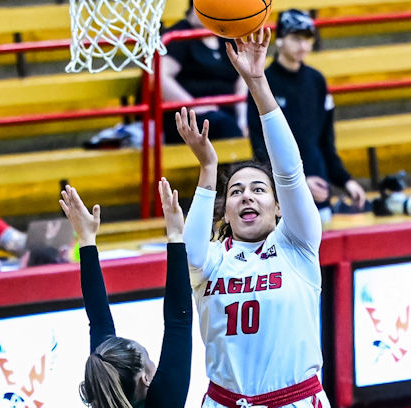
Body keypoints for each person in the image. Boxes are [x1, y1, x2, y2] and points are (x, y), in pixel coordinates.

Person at [177, 28, 331, 407]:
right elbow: (190, 253)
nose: (246, 194)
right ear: (226, 211)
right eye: (237, 191)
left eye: (259, 189)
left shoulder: (297, 244)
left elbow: (290, 171)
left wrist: (258, 84)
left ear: (279, 206)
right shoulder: (213, 258)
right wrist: (209, 169)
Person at [58, 178, 192, 408]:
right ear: (146, 380)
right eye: (148, 360)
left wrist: (87, 239)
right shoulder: (162, 401)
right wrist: (175, 235)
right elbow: (177, 320)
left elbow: (101, 322)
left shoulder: (108, 381)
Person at [247, 9, 365, 221]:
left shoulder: (317, 81)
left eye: (308, 39)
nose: (303, 45)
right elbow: (261, 148)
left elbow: (325, 142)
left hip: (319, 192)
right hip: (280, 199)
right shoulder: (263, 83)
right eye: (296, 38)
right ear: (280, 40)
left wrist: (346, 181)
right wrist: (297, 183)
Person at [160, 1, 248, 144]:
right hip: (191, 118)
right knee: (224, 124)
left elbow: (241, 80)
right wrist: (193, 105)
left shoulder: (225, 35)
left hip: (228, 112)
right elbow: (160, 77)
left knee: (261, 119)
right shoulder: (178, 35)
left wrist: (243, 118)